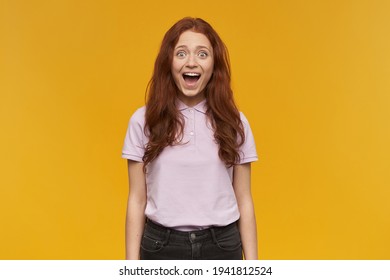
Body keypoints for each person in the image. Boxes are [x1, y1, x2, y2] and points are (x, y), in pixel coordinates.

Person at [122, 17, 258, 260]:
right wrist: (131, 268)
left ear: (214, 65)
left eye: (202, 54)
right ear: (169, 62)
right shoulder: (143, 121)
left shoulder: (235, 122)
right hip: (161, 246)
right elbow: (136, 199)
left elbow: (244, 199)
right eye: (181, 53)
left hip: (222, 246)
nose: (192, 62)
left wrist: (254, 266)